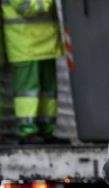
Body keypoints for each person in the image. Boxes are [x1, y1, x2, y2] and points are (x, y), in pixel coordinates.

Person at [1, 0, 63, 142]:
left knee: (48, 93)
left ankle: (46, 130)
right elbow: (26, 7)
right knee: (27, 92)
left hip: (47, 43)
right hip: (25, 45)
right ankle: (27, 131)